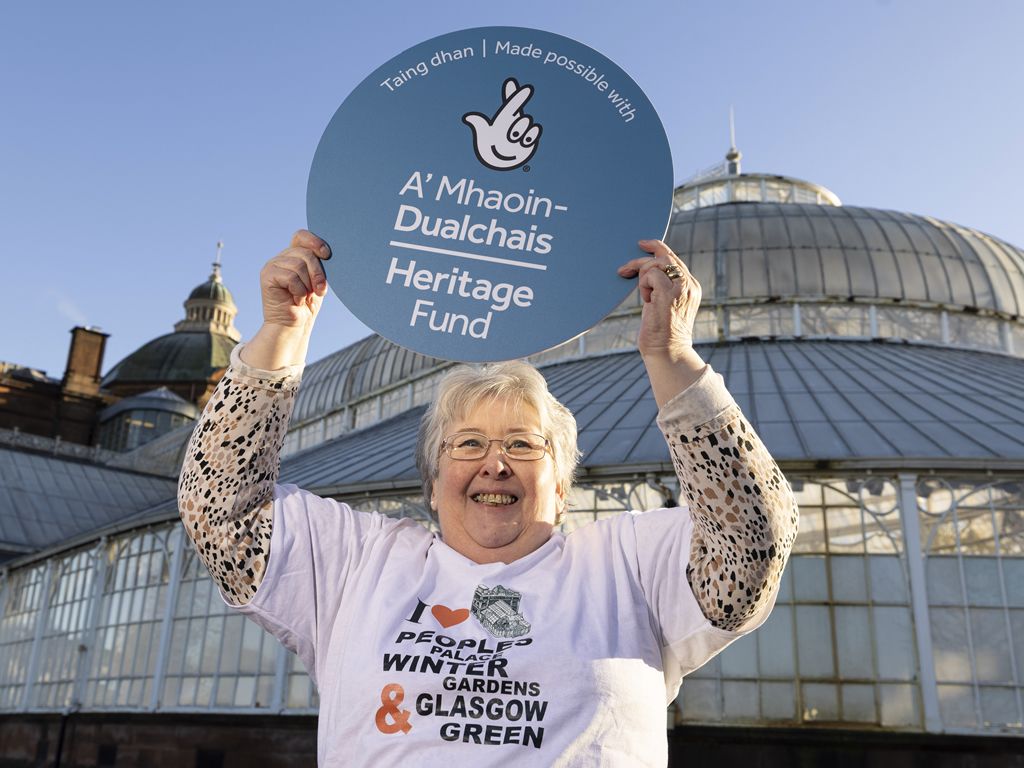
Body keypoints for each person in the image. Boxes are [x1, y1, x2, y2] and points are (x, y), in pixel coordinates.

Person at [178, 230, 798, 766]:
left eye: (524, 446)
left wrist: (670, 354)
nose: (495, 464)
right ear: (430, 478)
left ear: (561, 481)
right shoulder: (358, 563)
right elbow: (219, 508)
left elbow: (752, 539)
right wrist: (281, 334)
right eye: (468, 443)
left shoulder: (629, 563)